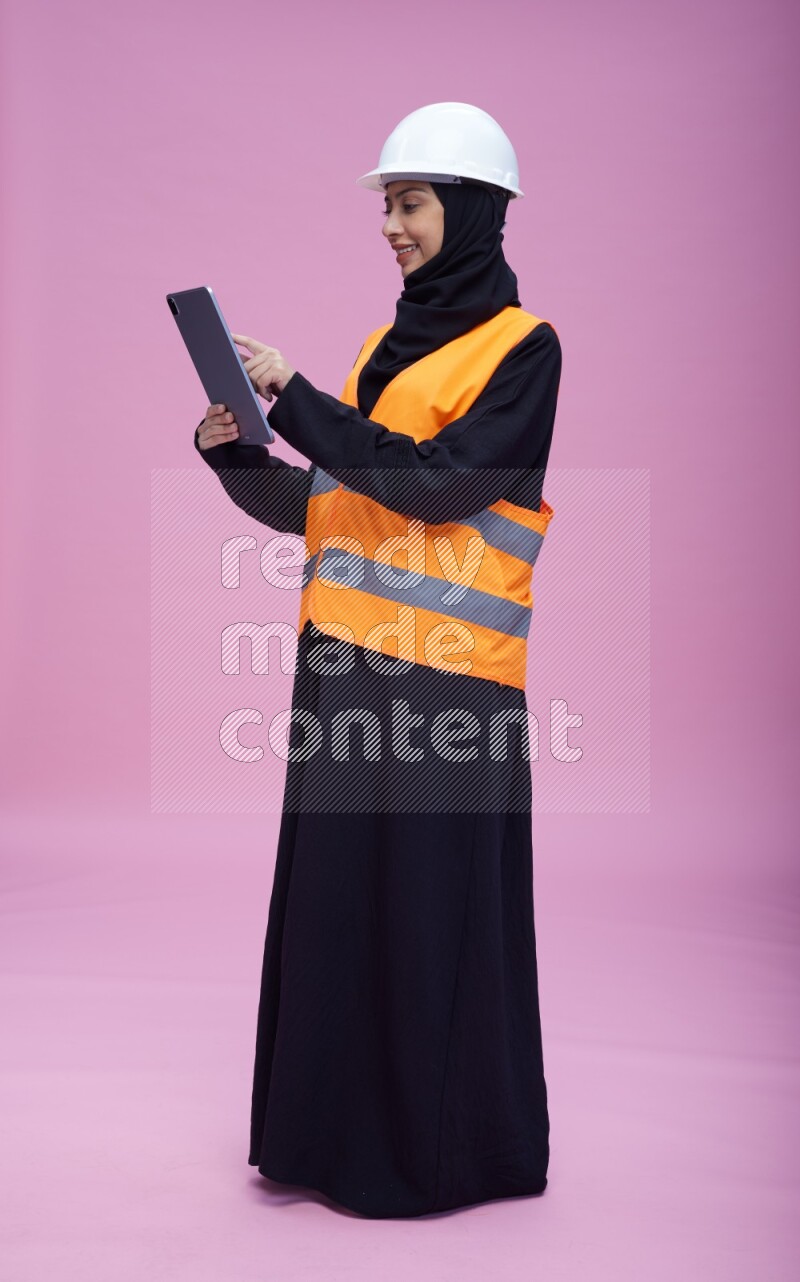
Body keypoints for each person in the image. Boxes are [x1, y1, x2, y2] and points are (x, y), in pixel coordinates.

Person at [194, 102, 562, 1218]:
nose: (391, 226)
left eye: (409, 204)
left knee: (428, 922)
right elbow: (345, 504)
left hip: (448, 686)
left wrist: (293, 397)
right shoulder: (374, 353)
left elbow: (441, 483)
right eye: (389, 207)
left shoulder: (523, 349)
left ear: (472, 210)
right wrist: (235, 456)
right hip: (344, 672)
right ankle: (323, 1141)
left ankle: (441, 1159)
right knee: (340, 911)